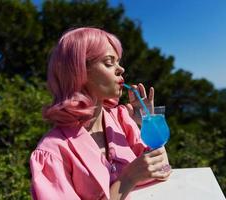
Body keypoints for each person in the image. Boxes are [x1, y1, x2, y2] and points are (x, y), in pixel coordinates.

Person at [30, 27, 171, 200]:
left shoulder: (121, 120)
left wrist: (146, 121)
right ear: (79, 72)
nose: (121, 69)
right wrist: (127, 179)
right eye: (109, 62)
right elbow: (137, 175)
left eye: (118, 61)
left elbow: (163, 169)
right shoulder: (53, 151)